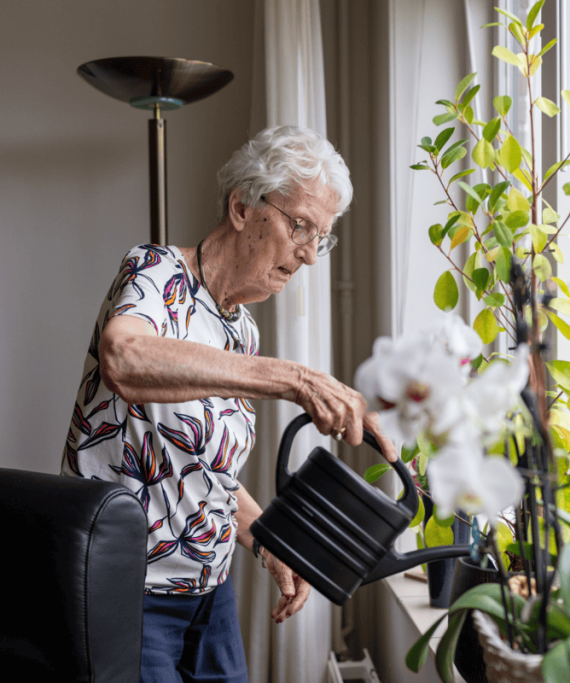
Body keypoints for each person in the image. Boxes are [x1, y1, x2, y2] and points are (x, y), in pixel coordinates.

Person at [60, 125, 397, 683]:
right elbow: (124, 357)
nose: (311, 255)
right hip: (127, 592)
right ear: (243, 207)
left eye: (323, 236)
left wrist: (269, 542)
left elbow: (201, 469)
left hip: (209, 595)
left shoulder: (240, 331)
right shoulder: (155, 272)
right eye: (301, 226)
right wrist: (293, 380)